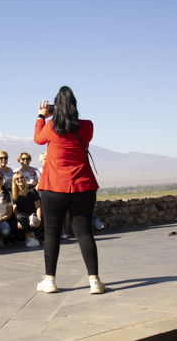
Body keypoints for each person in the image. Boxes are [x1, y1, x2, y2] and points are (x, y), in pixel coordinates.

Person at [34, 86, 105, 294]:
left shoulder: (50, 126)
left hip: (54, 187)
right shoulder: (87, 126)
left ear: (56, 107)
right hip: (83, 186)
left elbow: (38, 139)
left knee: (52, 232)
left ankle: (50, 280)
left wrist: (41, 115)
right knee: (84, 232)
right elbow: (80, 136)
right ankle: (95, 281)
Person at [12, 171, 42, 248]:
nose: (20, 179)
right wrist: (19, 221)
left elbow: (38, 207)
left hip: (34, 218)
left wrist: (39, 219)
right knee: (20, 217)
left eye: (22, 177)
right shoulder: (14, 194)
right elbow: (15, 210)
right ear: (14, 181)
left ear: (25, 178)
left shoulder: (32, 190)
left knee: (28, 218)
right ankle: (31, 237)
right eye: (17, 178)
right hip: (23, 218)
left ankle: (33, 239)